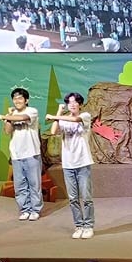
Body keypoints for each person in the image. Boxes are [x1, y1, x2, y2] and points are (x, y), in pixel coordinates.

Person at [46, 92, 95, 239]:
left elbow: (75, 119)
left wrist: (53, 117)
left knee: (86, 197)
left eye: (75, 102)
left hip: (83, 162)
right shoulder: (63, 119)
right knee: (73, 198)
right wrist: (59, 112)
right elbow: (53, 131)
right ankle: (79, 226)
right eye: (69, 102)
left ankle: (88, 226)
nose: (72, 105)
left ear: (80, 104)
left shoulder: (85, 116)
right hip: (68, 164)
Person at [0, 87, 43, 222]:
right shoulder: (11, 114)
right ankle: (25, 210)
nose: (17, 101)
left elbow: (23, 118)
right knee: (20, 185)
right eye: (15, 98)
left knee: (34, 184)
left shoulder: (32, 111)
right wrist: (8, 116)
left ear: (26, 100)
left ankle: (35, 210)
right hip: (16, 154)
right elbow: (7, 131)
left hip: (32, 153)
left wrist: (5, 116)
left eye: (20, 98)